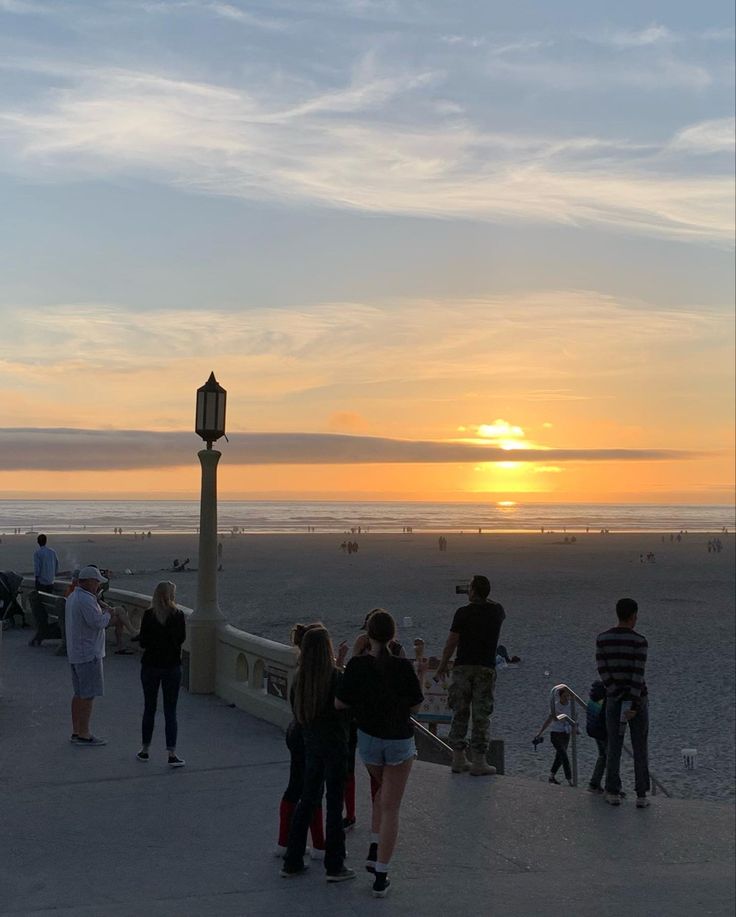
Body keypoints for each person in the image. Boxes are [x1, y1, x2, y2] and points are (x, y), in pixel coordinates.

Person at [336, 610, 424, 899]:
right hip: (398, 742)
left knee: (380, 794)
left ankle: (374, 847)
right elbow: (415, 707)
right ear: (393, 636)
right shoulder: (401, 666)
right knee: (391, 807)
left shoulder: (358, 665)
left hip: (369, 742)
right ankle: (381, 876)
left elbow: (340, 702)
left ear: (368, 634)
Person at [282, 626, 353, 883]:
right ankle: (335, 865)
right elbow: (346, 710)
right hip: (335, 745)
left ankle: (292, 859)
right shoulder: (336, 678)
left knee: (308, 800)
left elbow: (298, 713)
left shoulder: (300, 680)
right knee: (335, 805)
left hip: (312, 745)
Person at [434, 574, 505, 776]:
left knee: (460, 711)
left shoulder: (463, 613)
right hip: (485, 668)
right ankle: (479, 761)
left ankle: (458, 758)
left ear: (473, 591)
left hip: (463, 667)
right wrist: (481, 596)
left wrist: (441, 666)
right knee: (481, 714)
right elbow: (492, 603)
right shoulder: (496, 611)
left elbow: (451, 642)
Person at [344, 612, 406, 830]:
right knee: (374, 775)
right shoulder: (398, 656)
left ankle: (370, 819)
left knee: (371, 775)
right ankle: (368, 820)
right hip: (388, 726)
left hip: (368, 724)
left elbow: (347, 691)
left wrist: (353, 654)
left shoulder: (363, 660)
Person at [275, 623, 327, 860]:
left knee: (294, 786)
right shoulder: (327, 677)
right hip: (316, 740)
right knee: (315, 793)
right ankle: (319, 845)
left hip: (296, 734)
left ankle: (283, 841)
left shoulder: (298, 675)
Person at [596, 597, 651, 808]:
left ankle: (612, 790)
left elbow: (603, 671)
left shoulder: (603, 639)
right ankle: (641, 794)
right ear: (632, 616)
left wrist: (617, 694)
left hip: (613, 700)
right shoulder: (640, 641)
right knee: (639, 747)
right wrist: (633, 704)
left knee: (614, 746)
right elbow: (638, 675)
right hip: (637, 701)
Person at [137, 581, 187, 767]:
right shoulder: (178, 615)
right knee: (170, 710)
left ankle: (145, 750)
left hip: (150, 665)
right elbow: (181, 639)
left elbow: (143, 642)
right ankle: (171, 753)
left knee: (149, 708)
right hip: (171, 666)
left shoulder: (149, 615)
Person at [65, 565, 112, 746]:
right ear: (90, 582)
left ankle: (77, 731)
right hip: (88, 654)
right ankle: (84, 734)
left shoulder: (73, 597)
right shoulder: (85, 600)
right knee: (88, 695)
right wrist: (108, 613)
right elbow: (97, 623)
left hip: (76, 652)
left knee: (79, 693)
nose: (99, 585)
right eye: (97, 582)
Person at [534, 687, 574, 786]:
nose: (566, 698)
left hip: (566, 733)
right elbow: (549, 720)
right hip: (555, 734)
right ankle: (570, 780)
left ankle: (551, 777)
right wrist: (540, 733)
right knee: (564, 755)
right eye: (564, 696)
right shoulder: (555, 706)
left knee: (559, 757)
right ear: (559, 696)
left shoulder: (571, 706)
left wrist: (575, 729)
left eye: (568, 696)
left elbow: (574, 719)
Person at [30, 534, 60, 645]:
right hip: (50, 581)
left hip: (42, 582)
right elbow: (57, 564)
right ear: (46, 541)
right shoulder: (52, 552)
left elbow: (37, 568)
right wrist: (53, 574)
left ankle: (42, 627)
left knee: (41, 607)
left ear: (38, 542)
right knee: (49, 603)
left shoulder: (37, 553)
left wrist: (36, 579)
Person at [585, 679, 608, 794]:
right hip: (603, 733)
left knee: (602, 756)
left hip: (594, 731)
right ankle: (609, 787)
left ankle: (594, 783)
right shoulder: (603, 702)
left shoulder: (591, 700)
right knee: (609, 757)